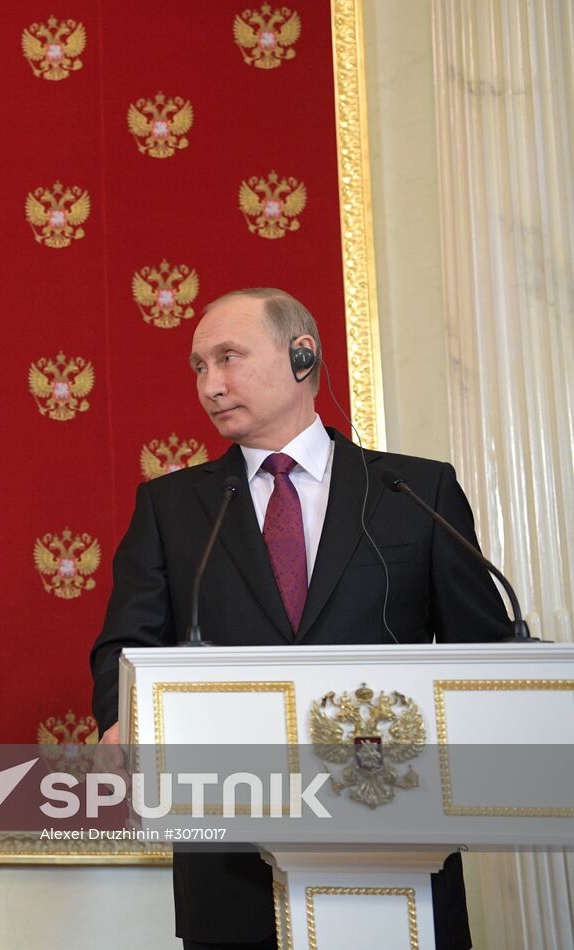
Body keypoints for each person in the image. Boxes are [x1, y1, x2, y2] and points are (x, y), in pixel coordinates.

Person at [89, 288, 511, 950]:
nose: (210, 384)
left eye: (228, 357)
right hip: (231, 857)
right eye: (198, 366)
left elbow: (482, 653)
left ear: (302, 356)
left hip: (397, 839)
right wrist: (120, 718)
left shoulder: (413, 492)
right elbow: (124, 645)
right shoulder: (172, 507)